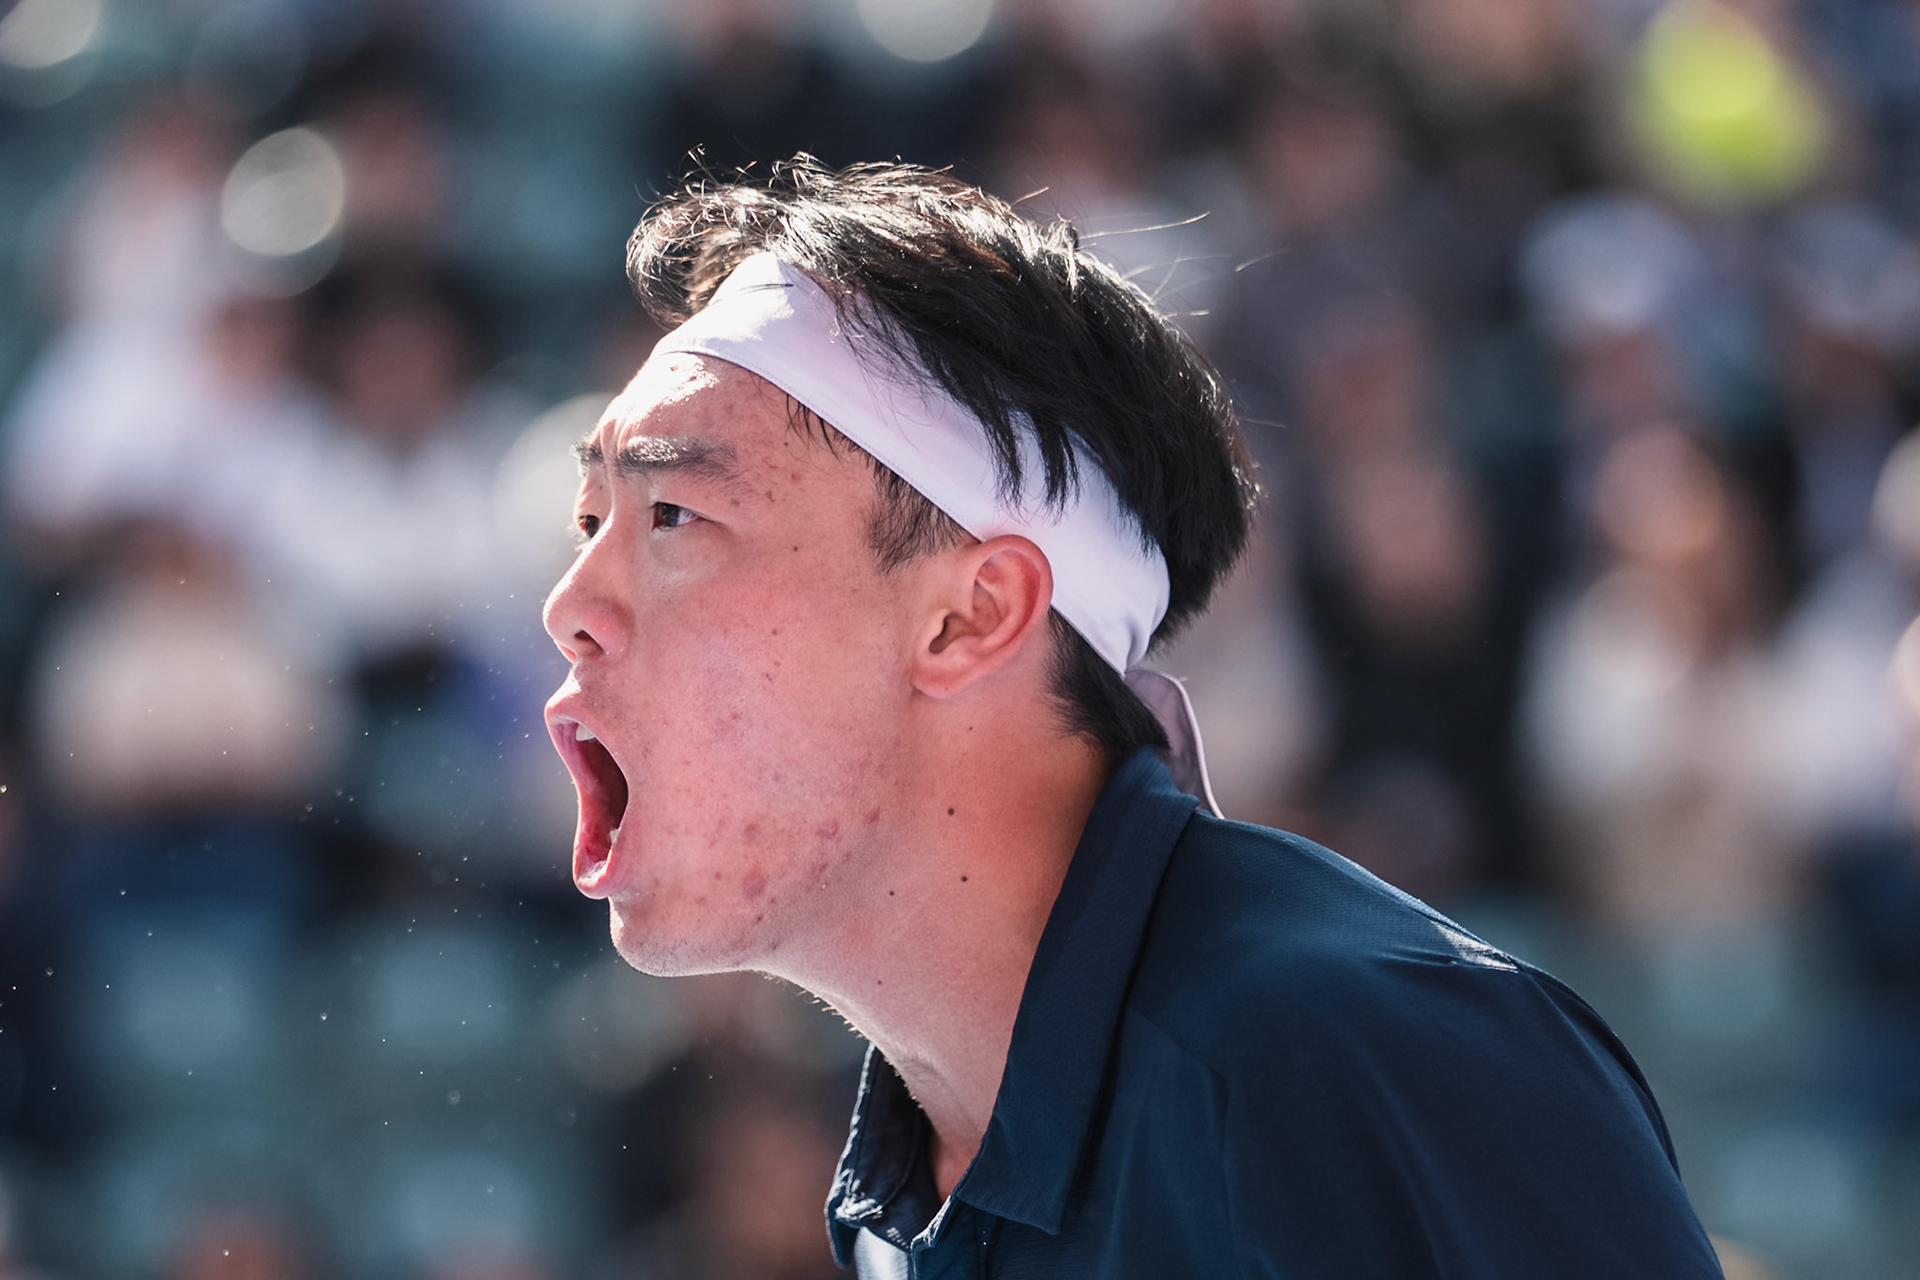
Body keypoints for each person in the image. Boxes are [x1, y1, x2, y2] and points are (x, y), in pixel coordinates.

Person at [541, 157, 1724, 1278]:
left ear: (971, 616)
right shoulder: (904, 1202)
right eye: (590, 521)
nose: (568, 605)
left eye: (675, 516)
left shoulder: (1368, 1056)